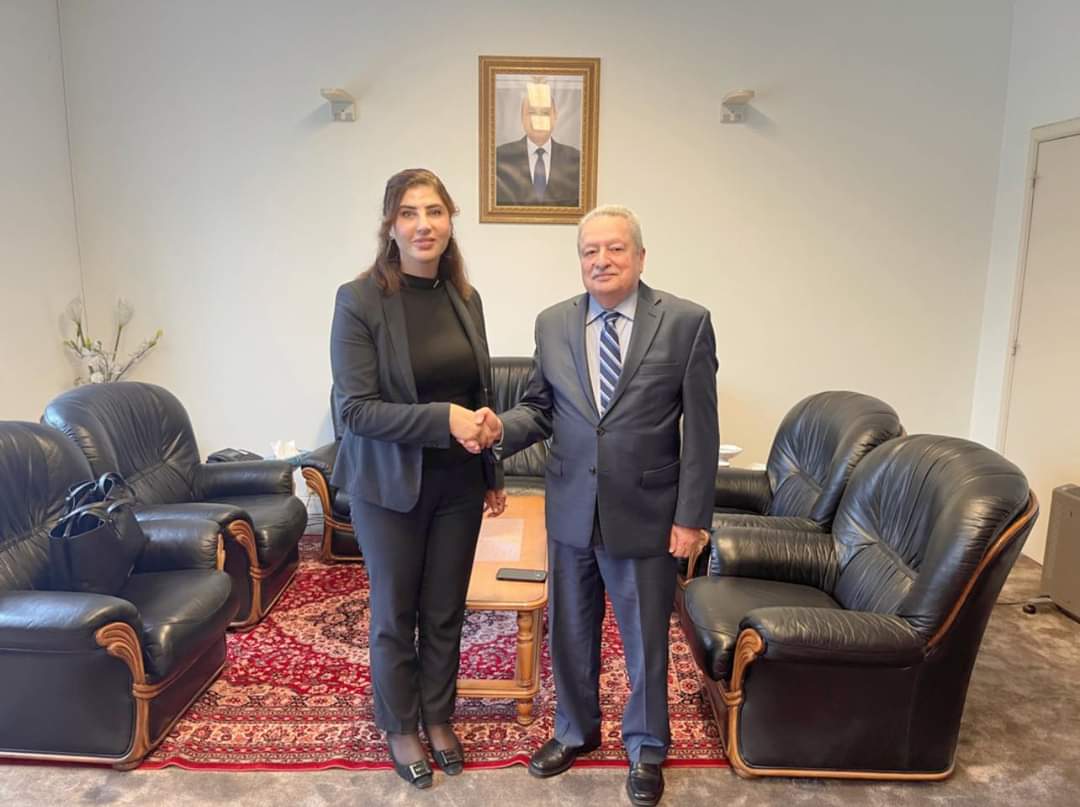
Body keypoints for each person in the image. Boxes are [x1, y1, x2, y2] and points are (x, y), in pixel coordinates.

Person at [466, 204, 718, 806]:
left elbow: (702, 432)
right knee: (571, 632)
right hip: (571, 507)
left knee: (645, 638)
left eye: (615, 248)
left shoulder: (685, 323)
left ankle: (647, 746)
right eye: (589, 251)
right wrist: (497, 429)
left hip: (647, 511)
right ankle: (575, 731)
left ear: (640, 257)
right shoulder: (553, 323)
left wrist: (690, 518)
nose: (601, 260)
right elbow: (540, 409)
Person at [329, 168, 506, 790]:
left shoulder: (465, 297)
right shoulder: (359, 300)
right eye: (409, 213)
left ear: (450, 220)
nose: (423, 224)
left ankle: (437, 715)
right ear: (391, 225)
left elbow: (477, 392)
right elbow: (356, 411)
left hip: (458, 482)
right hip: (389, 486)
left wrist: (490, 464)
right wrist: (442, 419)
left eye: (434, 211)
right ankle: (400, 724)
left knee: (445, 609)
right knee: (394, 611)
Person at [495, 87, 581, 207]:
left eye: (545, 113)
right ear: (522, 117)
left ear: (555, 117)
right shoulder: (499, 157)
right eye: (532, 113)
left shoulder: (576, 160)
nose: (538, 120)